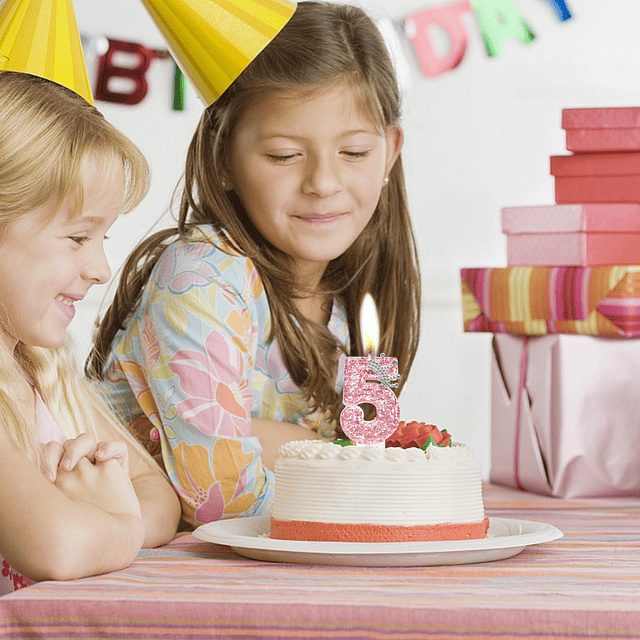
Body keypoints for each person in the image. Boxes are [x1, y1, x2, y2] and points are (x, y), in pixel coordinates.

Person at [87, 1, 422, 528]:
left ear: (391, 152)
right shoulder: (200, 276)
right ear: (222, 156)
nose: (323, 183)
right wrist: (325, 456)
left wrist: (287, 445)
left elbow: (366, 455)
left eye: (354, 152)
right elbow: (223, 496)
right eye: (285, 155)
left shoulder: (351, 294)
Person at [0, 71, 181, 595]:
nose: (102, 268)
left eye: (103, 237)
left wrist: (102, 514)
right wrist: (112, 520)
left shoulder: (38, 368)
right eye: (78, 237)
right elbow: (58, 548)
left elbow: (159, 497)